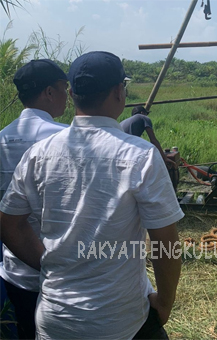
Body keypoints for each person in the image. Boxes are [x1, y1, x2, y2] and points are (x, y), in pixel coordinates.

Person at [0, 51, 184, 339]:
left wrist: (47, 262)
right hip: (120, 320)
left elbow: (9, 223)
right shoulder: (140, 155)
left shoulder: (39, 153)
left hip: (55, 319)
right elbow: (166, 242)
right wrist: (164, 303)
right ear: (118, 92)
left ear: (72, 94)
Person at [0, 59, 69, 339]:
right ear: (49, 93)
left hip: (14, 270)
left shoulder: (2, 138)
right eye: (64, 89)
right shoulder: (66, 139)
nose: (68, 96)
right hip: (61, 272)